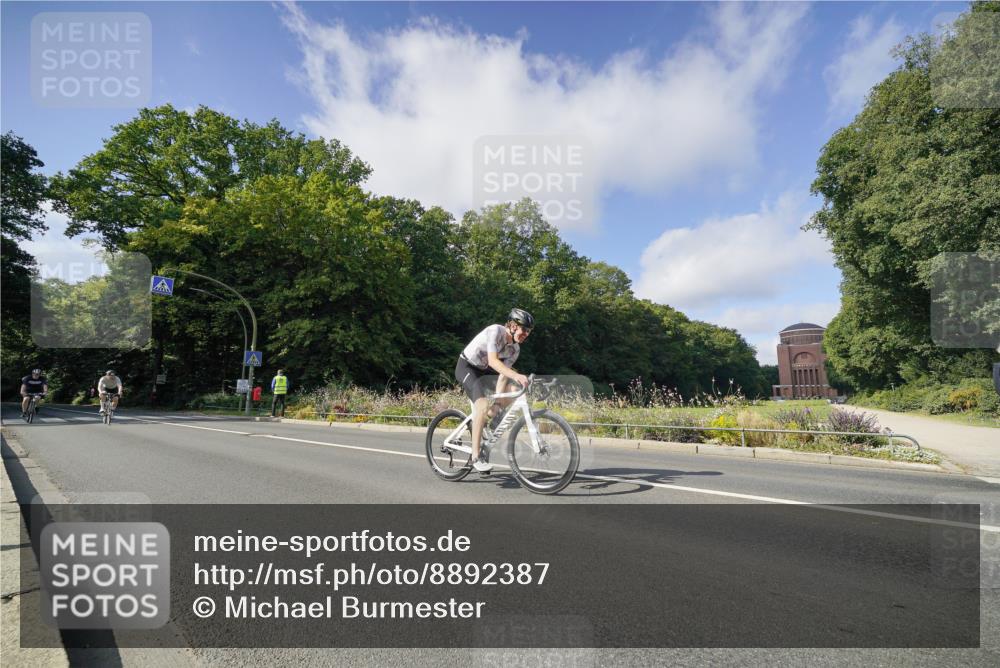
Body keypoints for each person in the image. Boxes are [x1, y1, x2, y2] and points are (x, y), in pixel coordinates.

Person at [455, 308, 533, 473]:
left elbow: (503, 375)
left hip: (484, 373)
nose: (526, 334)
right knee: (482, 405)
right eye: (524, 329)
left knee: (513, 389)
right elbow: (492, 361)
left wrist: (498, 402)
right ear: (512, 326)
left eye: (529, 331)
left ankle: (486, 418)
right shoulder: (495, 331)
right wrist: (517, 375)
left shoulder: (515, 349)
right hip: (467, 367)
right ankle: (476, 457)